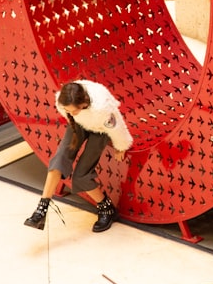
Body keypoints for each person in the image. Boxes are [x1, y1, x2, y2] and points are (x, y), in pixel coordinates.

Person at [24, 79, 133, 232]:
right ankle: (41, 209)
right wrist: (74, 114)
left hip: (100, 128)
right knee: (59, 159)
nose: (70, 113)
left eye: (74, 110)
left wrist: (121, 145)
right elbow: (72, 113)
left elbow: (117, 126)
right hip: (79, 124)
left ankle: (107, 208)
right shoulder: (64, 102)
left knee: (81, 175)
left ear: (84, 103)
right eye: (68, 111)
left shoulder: (102, 109)